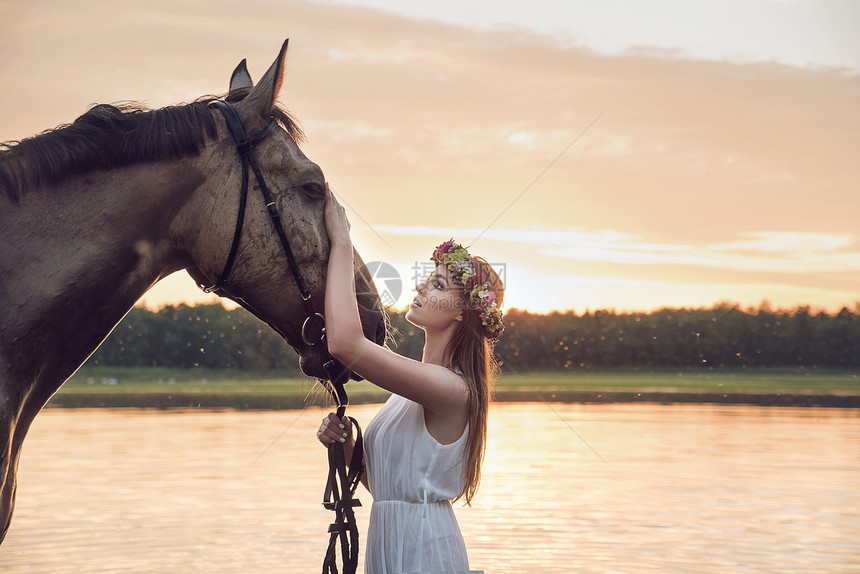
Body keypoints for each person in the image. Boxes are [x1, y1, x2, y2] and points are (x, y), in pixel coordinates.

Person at [316, 184, 505, 574]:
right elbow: (386, 488)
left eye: (438, 285)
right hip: (391, 542)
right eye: (429, 278)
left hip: (425, 549)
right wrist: (348, 443)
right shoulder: (409, 391)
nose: (421, 286)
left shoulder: (453, 389)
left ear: (460, 313)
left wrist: (341, 244)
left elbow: (346, 343)